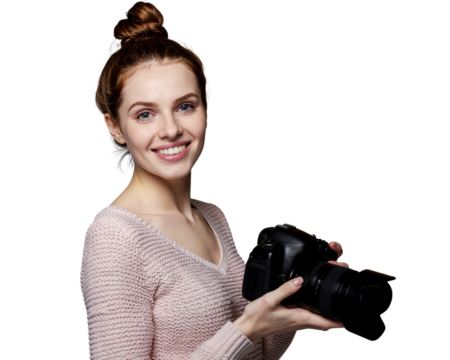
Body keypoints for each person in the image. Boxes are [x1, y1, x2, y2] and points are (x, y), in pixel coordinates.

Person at [79, 1, 351, 359]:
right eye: (145, 114)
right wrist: (246, 328)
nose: (171, 129)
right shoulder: (115, 237)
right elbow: (243, 335)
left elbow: (261, 353)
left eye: (185, 106)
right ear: (114, 127)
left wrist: (296, 297)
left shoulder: (213, 216)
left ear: (206, 110)